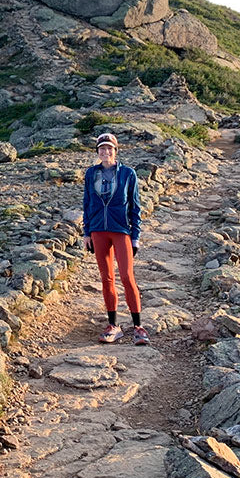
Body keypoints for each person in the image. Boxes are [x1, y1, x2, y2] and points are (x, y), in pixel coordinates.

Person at [82, 132, 148, 345]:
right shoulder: (91, 173)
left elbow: (135, 206)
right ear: (98, 152)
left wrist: (135, 237)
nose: (106, 151)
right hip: (98, 231)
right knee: (106, 278)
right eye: (102, 148)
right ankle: (113, 325)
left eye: (109, 148)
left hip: (121, 231)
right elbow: (87, 203)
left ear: (115, 151)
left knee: (128, 277)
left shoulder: (128, 174)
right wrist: (86, 232)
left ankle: (138, 326)